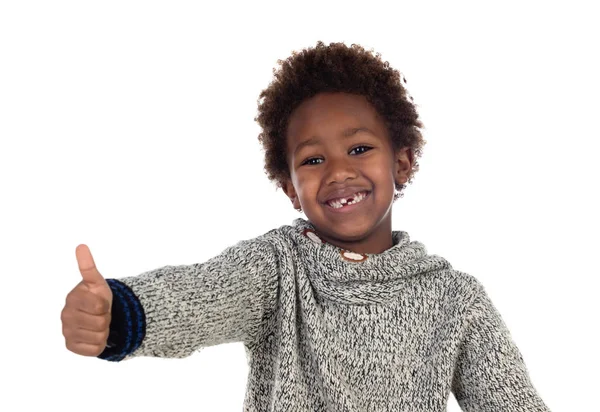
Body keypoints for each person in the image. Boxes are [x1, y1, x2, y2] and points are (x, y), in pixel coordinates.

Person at [61, 41, 552, 411]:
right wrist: (118, 314)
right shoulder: (277, 267)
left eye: (359, 149)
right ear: (291, 188)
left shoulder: (455, 298)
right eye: (314, 159)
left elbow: (511, 401)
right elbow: (203, 295)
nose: (339, 171)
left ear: (402, 163)